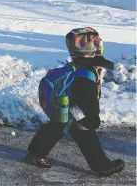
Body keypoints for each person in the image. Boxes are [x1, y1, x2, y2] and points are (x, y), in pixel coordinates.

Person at [27, 27, 125, 177]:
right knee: (84, 134)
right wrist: (92, 119)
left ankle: (35, 152)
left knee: (56, 127)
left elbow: (100, 61)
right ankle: (101, 167)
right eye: (96, 44)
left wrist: (110, 65)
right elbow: (89, 101)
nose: (98, 45)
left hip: (65, 104)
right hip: (76, 108)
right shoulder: (86, 75)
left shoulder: (80, 62)